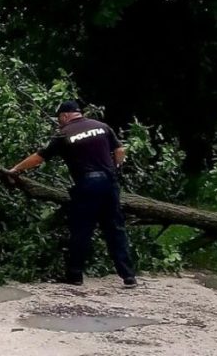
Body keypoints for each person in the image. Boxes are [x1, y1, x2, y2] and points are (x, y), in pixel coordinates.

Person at [9, 100, 137, 288]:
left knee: (81, 229)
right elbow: (120, 150)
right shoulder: (102, 127)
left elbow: (39, 157)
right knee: (115, 229)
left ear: (65, 115)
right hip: (109, 183)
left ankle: (75, 275)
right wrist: (116, 168)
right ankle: (128, 276)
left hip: (87, 184)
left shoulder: (64, 134)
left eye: (59, 119)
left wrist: (15, 169)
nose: (59, 122)